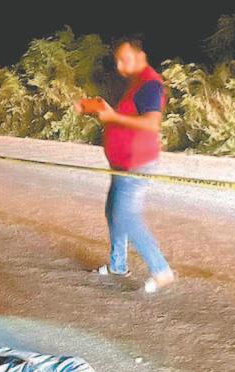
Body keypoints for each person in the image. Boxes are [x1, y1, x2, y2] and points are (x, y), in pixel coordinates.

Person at [77, 37, 175, 294]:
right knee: (113, 212)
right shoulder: (137, 84)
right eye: (117, 61)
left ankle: (161, 270)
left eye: (125, 59)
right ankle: (118, 266)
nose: (120, 66)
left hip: (136, 163)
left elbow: (152, 123)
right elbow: (127, 118)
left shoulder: (150, 84)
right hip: (122, 164)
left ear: (141, 56)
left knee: (125, 216)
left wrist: (113, 116)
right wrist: (104, 111)